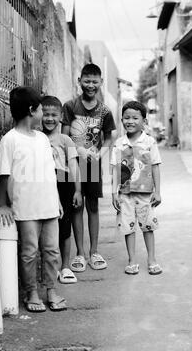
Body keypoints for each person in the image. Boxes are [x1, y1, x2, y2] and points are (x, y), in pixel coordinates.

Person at [0, 86, 67, 312]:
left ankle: (52, 290)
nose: (42, 115)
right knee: (29, 252)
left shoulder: (43, 139)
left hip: (49, 205)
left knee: (52, 250)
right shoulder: (10, 140)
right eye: (40, 109)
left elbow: (50, 173)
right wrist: (2, 204)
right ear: (31, 110)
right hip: (26, 208)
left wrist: (56, 200)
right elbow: (3, 174)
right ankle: (32, 293)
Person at [62, 63, 116, 272]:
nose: (90, 85)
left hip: (93, 166)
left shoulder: (104, 111)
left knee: (92, 207)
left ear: (101, 83)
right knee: (77, 207)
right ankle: (80, 253)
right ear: (79, 81)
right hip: (73, 166)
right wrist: (78, 151)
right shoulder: (70, 106)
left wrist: (99, 155)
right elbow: (64, 137)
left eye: (95, 81)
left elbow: (109, 140)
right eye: (87, 81)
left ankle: (94, 251)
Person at [110, 100, 163, 275]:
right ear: (122, 120)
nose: (130, 121)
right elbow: (116, 169)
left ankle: (152, 259)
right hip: (125, 194)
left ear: (144, 121)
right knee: (128, 227)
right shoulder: (119, 144)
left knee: (148, 226)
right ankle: (132, 260)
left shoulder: (149, 142)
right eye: (126, 118)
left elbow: (155, 165)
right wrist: (113, 193)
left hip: (145, 194)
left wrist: (158, 191)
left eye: (135, 118)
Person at [41, 95, 82, 284]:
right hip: (43, 183)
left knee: (65, 226)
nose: (50, 118)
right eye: (45, 114)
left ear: (60, 117)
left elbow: (73, 165)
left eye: (54, 115)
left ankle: (65, 266)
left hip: (63, 182)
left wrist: (77, 190)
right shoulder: (37, 138)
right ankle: (49, 267)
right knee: (46, 226)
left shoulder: (65, 139)